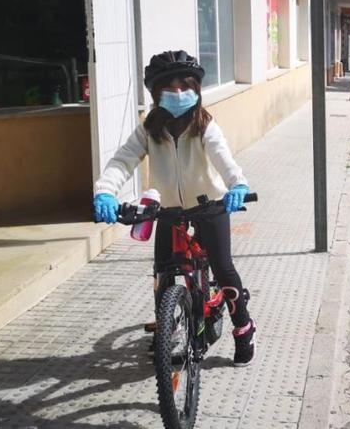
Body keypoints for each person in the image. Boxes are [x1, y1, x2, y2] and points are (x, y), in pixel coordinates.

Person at [91, 50, 256, 367]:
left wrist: (237, 185)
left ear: (197, 90)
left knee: (223, 268)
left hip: (210, 206)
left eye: (186, 87)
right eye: (170, 88)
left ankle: (244, 328)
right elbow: (122, 160)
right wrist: (106, 192)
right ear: (155, 94)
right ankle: (167, 327)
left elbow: (224, 158)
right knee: (163, 272)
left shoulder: (204, 125)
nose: (179, 94)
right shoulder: (148, 129)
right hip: (166, 210)